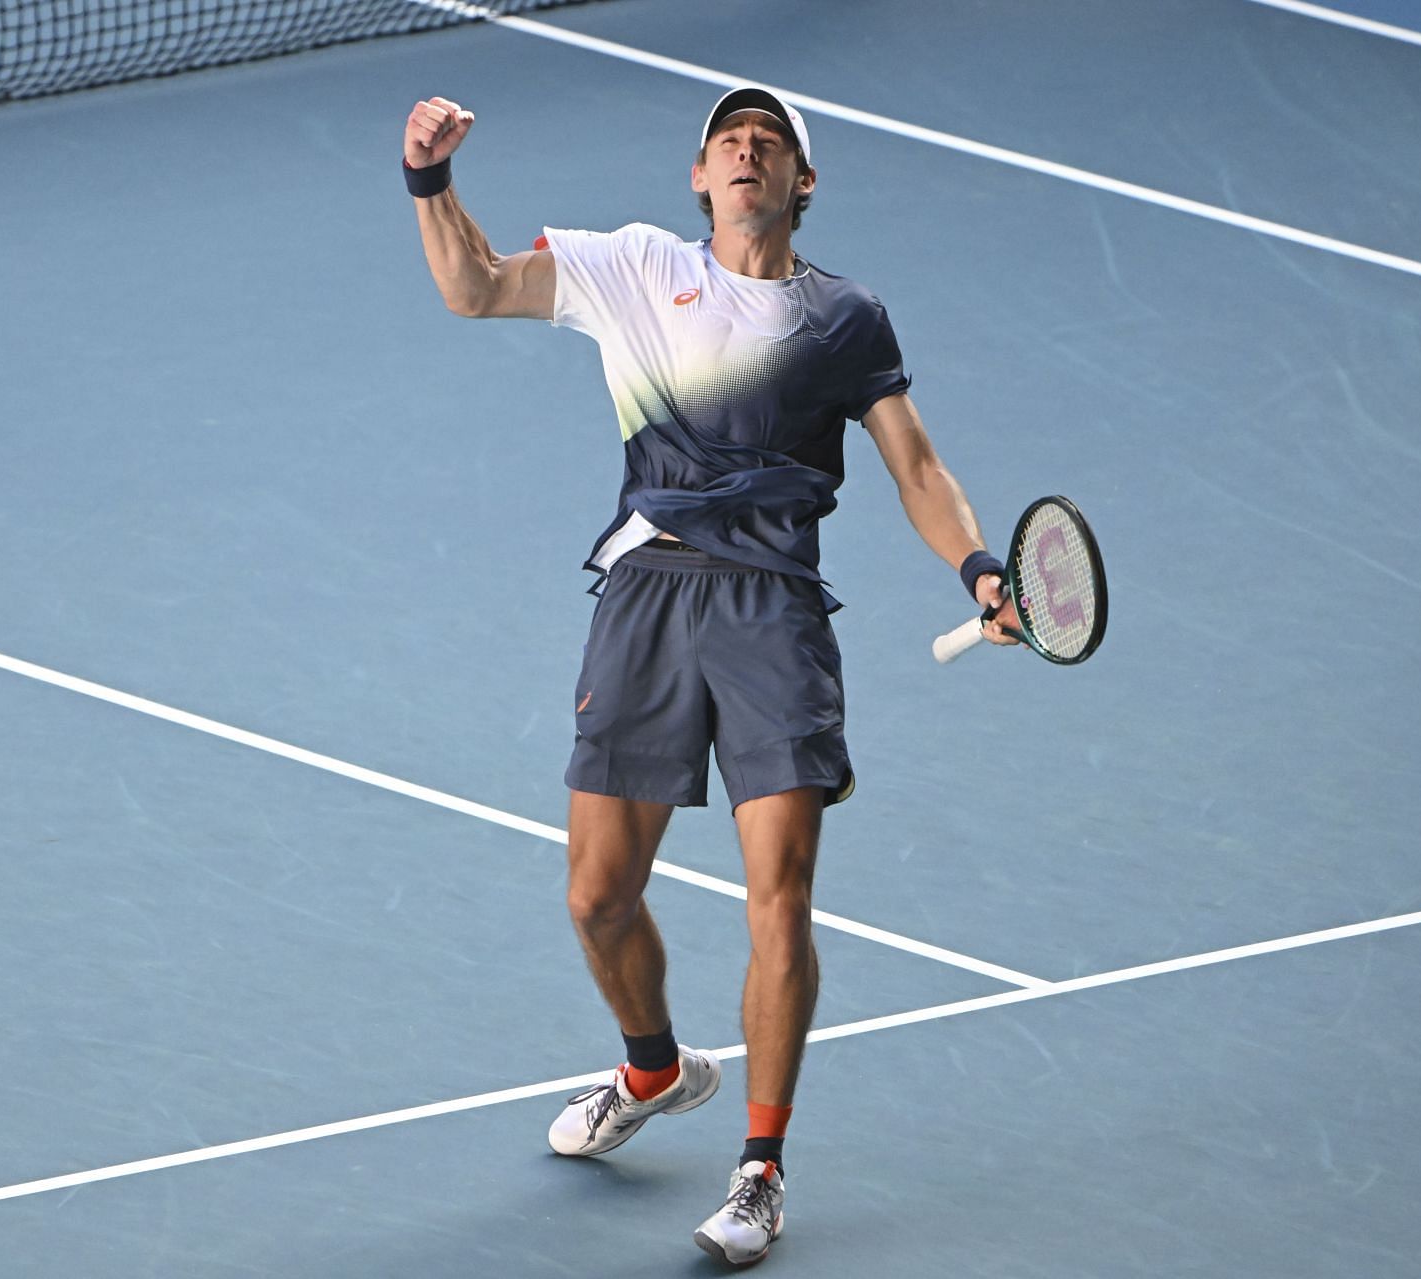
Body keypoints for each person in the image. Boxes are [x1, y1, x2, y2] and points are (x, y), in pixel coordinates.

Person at [403, 84, 1018, 1266]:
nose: (745, 149)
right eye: (726, 141)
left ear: (802, 184)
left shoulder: (845, 318)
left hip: (771, 613)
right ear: (699, 181)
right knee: (595, 895)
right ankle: (652, 1066)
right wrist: (430, 180)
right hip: (645, 597)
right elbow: (473, 284)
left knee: (776, 893)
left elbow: (918, 466)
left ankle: (760, 1169)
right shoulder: (632, 266)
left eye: (769, 141)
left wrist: (983, 573)